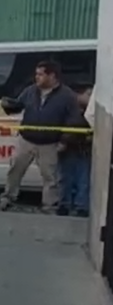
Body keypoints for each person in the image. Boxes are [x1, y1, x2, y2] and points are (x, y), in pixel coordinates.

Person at [0, 60, 80, 213]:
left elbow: (73, 120)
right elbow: (18, 105)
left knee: (50, 178)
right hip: (26, 140)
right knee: (15, 170)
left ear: (52, 76)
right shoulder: (30, 91)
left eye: (40, 74)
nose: (36, 77)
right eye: (36, 74)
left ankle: (49, 206)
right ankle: (7, 198)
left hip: (50, 143)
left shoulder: (67, 95)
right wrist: (8, 106)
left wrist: (64, 141)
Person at [57, 86, 93, 217]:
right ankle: (65, 205)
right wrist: (64, 141)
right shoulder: (72, 108)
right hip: (70, 147)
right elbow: (72, 125)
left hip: (82, 148)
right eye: (88, 94)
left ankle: (80, 206)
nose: (91, 98)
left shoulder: (88, 110)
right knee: (66, 178)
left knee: (82, 180)